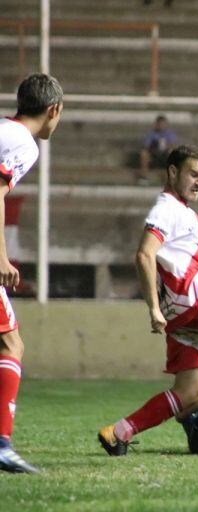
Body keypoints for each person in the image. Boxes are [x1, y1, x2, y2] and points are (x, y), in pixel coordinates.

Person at [98, 145, 198, 456]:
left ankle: (118, 432)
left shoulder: (188, 215)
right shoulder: (166, 209)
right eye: (193, 174)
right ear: (173, 172)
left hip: (185, 313)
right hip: (193, 299)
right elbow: (145, 254)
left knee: (190, 392)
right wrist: (153, 309)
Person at [0, 74, 63, 474]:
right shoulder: (24, 142)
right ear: (53, 109)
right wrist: (2, 257)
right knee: (10, 345)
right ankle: (2, 444)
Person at [138, 115, 179, 185]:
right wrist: (153, 146)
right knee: (144, 154)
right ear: (156, 124)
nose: (161, 126)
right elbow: (146, 145)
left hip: (165, 154)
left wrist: (166, 146)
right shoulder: (152, 134)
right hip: (154, 153)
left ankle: (172, 179)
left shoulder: (169, 134)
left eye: (163, 124)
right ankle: (144, 177)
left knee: (172, 153)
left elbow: (174, 144)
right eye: (159, 124)